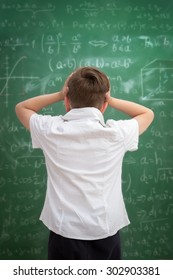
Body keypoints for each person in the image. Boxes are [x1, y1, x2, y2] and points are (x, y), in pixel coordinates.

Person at [15, 66, 154, 260]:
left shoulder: (50, 130)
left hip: (64, 234)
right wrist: (110, 99)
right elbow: (147, 114)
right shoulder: (116, 134)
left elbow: (22, 108)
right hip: (106, 231)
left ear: (67, 101)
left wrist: (59, 93)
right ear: (104, 105)